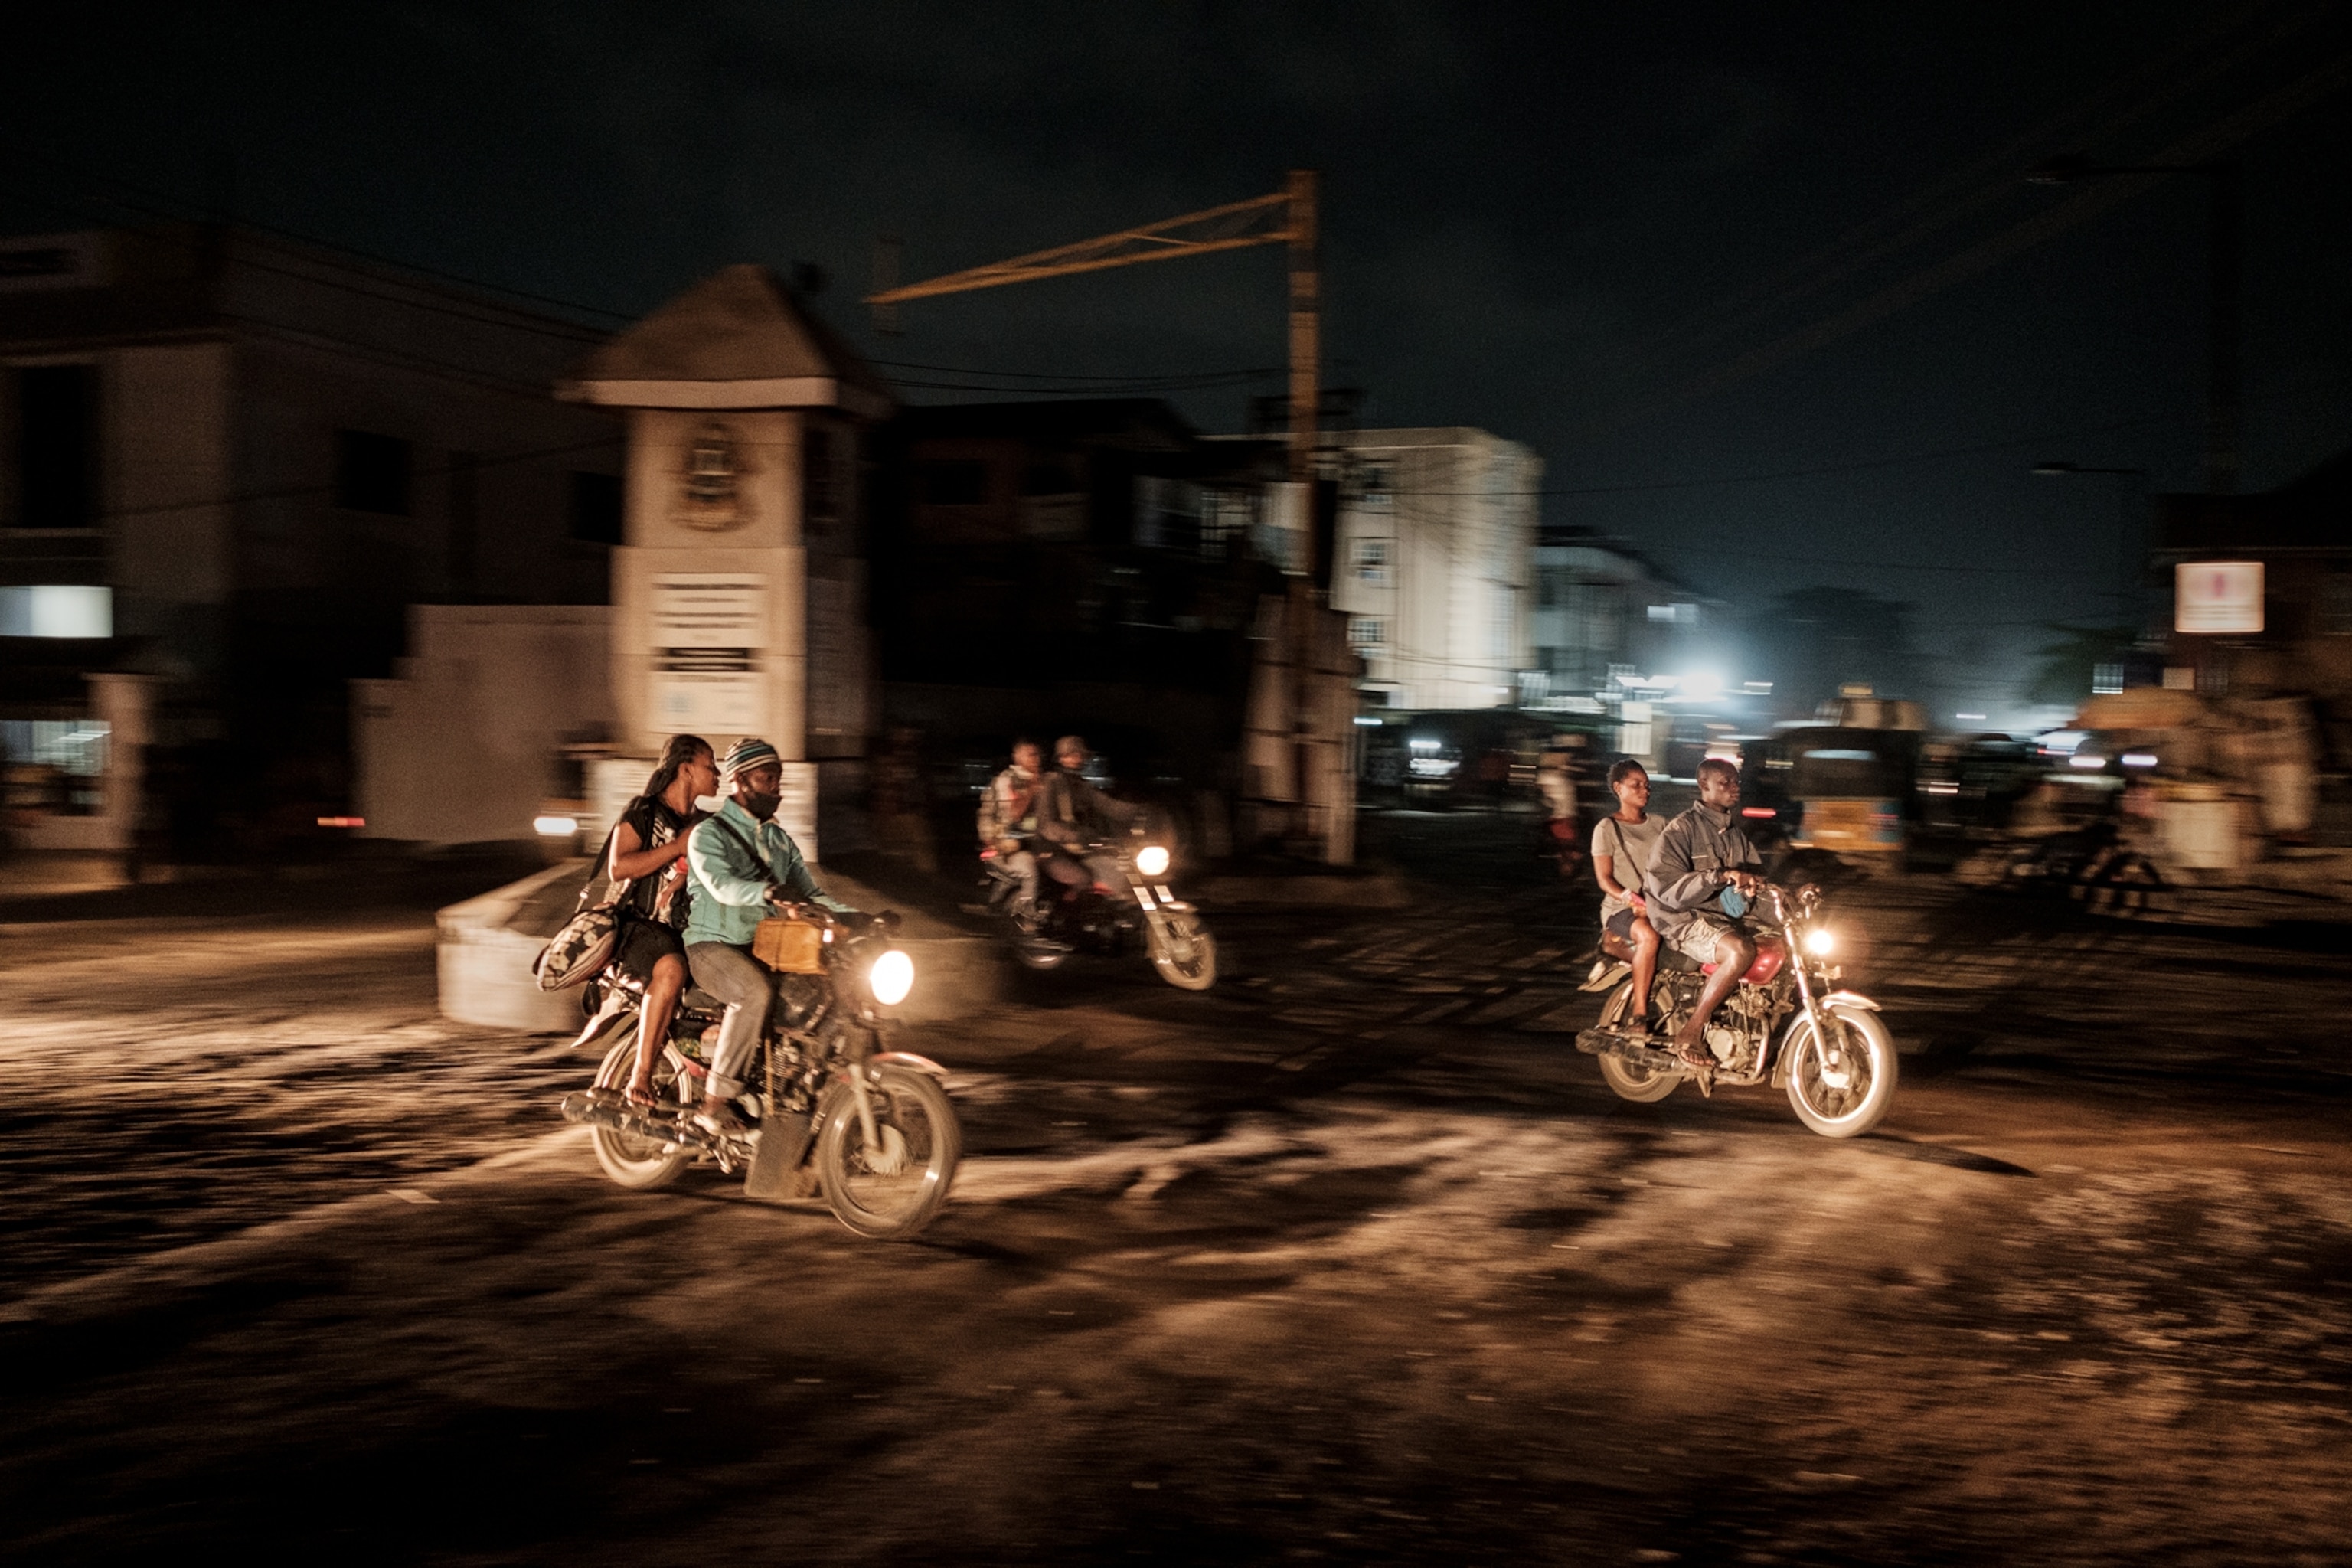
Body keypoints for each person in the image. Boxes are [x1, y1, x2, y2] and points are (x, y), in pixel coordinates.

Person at [683, 737, 858, 1135]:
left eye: (779, 779)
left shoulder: (779, 840)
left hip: (761, 948)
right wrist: (768, 891)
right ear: (740, 781)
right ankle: (714, 1103)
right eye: (768, 778)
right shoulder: (708, 835)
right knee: (754, 993)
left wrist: (858, 917)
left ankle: (789, 1089)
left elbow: (812, 894)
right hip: (712, 947)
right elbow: (722, 886)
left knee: (820, 989)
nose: (776, 788)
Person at [606, 734, 717, 1105]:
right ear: (685, 769)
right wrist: (675, 848)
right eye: (710, 766)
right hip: (638, 928)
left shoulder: (705, 822)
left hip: (685, 931)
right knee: (670, 969)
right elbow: (619, 867)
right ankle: (641, 1073)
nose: (717, 774)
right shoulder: (644, 811)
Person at [1643, 756, 1766, 1067]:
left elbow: (1756, 880)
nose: (1734, 788)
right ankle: (1692, 1031)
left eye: (1736, 782)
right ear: (1704, 785)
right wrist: (1720, 876)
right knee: (1740, 951)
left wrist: (1782, 891)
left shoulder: (1737, 835)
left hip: (1720, 919)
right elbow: (1665, 887)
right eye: (1725, 782)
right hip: (1682, 920)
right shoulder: (1682, 828)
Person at [1590, 758, 1666, 1037]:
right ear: (1618, 788)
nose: (1644, 791)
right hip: (1620, 908)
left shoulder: (1659, 824)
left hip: (1657, 905)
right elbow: (1604, 880)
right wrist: (1634, 900)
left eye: (1647, 786)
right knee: (1649, 937)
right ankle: (1639, 1016)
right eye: (1636, 785)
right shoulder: (1606, 828)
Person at [1036, 734, 1145, 900]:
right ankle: (1069, 919)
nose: (1076, 758)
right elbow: (1046, 825)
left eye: (1079, 755)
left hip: (1080, 849)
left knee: (1118, 868)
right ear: (1061, 758)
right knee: (1084, 878)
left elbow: (1108, 805)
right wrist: (1073, 836)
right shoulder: (1051, 782)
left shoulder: (1083, 786)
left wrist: (1139, 811)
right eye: (1071, 754)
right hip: (1052, 851)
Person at [978, 737, 1045, 925]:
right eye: (1031, 755)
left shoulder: (1041, 780)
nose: (1036, 759)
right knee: (1030, 870)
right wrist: (1033, 789)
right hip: (1008, 843)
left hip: (1035, 841)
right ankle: (1027, 913)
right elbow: (1014, 815)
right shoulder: (1007, 780)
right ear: (1017, 757)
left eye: (1038, 755)